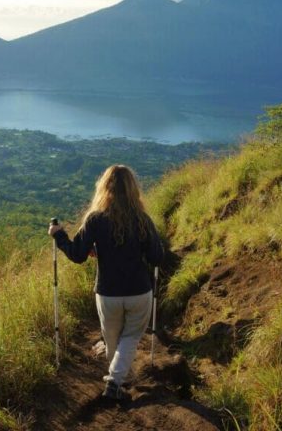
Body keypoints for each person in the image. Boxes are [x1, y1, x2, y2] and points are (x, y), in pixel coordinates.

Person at [48, 164, 164, 400]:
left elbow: (77, 254)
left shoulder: (95, 220)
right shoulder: (142, 219)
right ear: (133, 188)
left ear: (104, 187)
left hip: (108, 293)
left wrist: (59, 235)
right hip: (138, 291)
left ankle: (116, 381)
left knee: (112, 339)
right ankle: (116, 381)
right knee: (130, 337)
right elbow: (157, 257)